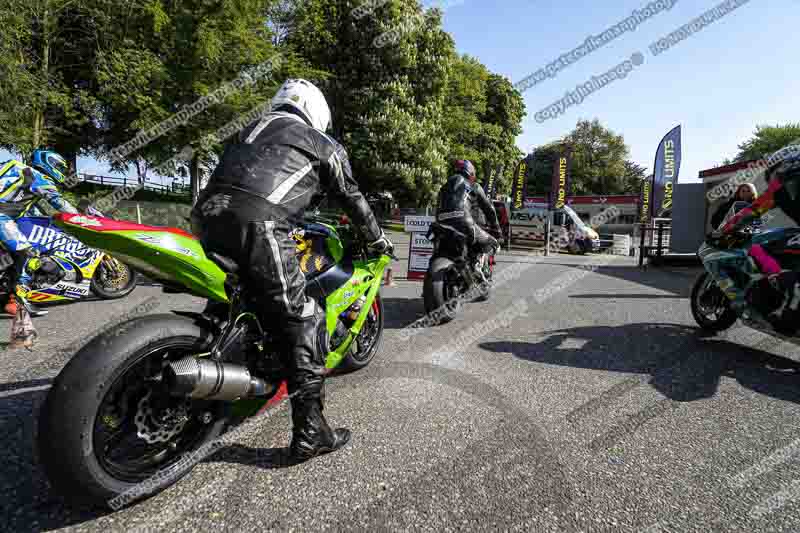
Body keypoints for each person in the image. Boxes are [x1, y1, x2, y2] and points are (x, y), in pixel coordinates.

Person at [190, 79, 392, 461]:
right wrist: (378, 239)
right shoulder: (323, 144)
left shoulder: (246, 131)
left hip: (206, 219)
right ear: (317, 112)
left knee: (237, 297)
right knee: (305, 318)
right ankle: (311, 433)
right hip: (260, 226)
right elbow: (352, 198)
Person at [713, 147, 800, 333]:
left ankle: (789, 312)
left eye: (774, 172)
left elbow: (753, 210)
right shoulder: (782, 192)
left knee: (761, 249)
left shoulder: (781, 189)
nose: (772, 178)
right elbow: (753, 210)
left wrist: (723, 231)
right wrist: (726, 228)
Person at [0, 150, 78, 334]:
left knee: (12, 255)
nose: (60, 171)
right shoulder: (39, 177)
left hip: (6, 217)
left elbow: (22, 199)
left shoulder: (12, 165)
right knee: (28, 255)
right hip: (1, 217)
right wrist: (79, 218)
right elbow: (57, 202)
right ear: (48, 164)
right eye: (59, 167)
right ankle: (16, 302)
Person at [435, 159, 502, 269]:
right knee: (493, 243)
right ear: (470, 173)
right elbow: (489, 209)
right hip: (464, 223)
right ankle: (476, 268)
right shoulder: (474, 186)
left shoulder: (444, 187)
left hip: (441, 223)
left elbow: (437, 207)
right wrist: (497, 231)